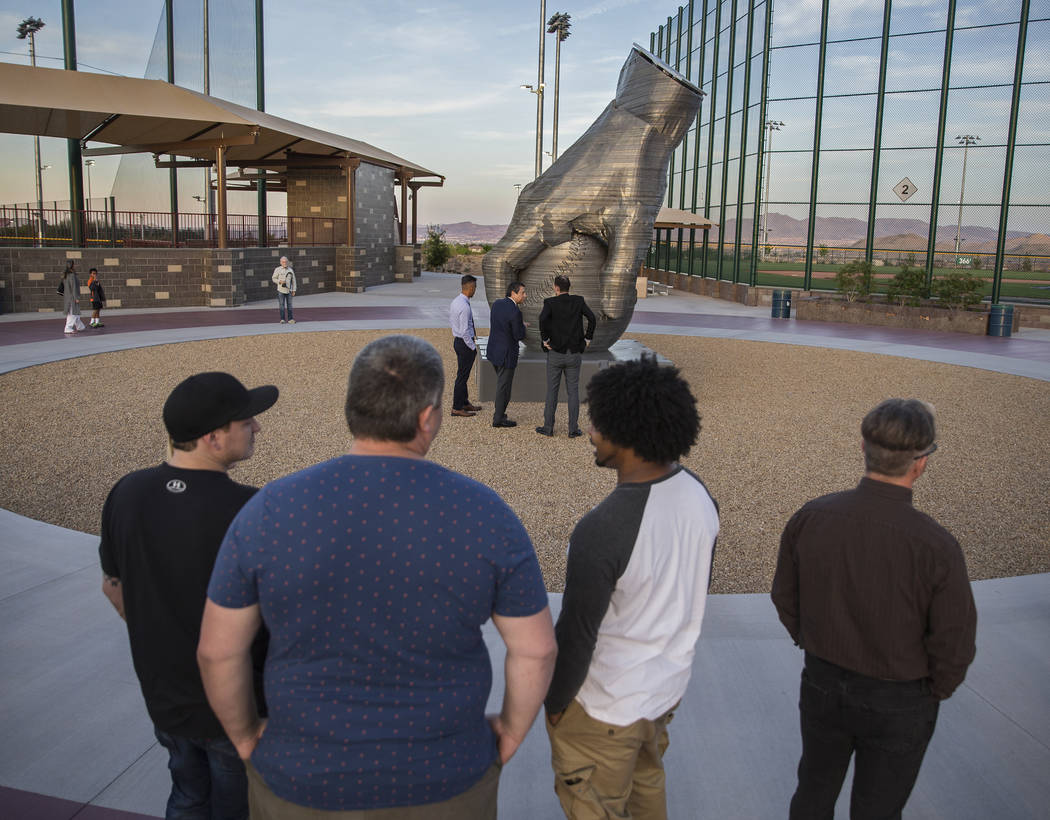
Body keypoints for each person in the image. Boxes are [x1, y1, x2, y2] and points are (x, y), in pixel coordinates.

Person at [198, 334, 557, 819]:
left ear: (353, 408)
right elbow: (535, 647)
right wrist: (512, 731)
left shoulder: (270, 511)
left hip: (300, 778)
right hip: (446, 779)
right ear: (427, 417)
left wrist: (243, 737)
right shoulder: (486, 516)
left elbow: (218, 651)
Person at [771, 398, 977, 820]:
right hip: (901, 696)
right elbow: (954, 640)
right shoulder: (935, 545)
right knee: (878, 809)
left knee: (813, 791)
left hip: (823, 681)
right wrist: (933, 690)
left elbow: (785, 597)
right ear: (920, 463)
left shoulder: (812, 517)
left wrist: (811, 641)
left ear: (863, 449)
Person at [544, 355, 719, 819]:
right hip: (663, 693)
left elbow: (577, 635)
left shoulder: (601, 530)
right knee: (647, 794)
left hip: (605, 707)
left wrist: (557, 704)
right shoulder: (700, 495)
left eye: (597, 423)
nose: (589, 431)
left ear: (626, 433)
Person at [99, 371, 278, 820]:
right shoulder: (252, 510)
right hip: (238, 708)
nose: (257, 428)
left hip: (166, 700)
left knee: (188, 797)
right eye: (246, 421)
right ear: (214, 437)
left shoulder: (127, 493)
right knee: (240, 807)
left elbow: (113, 586)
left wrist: (166, 632)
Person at [536, 275, 596, 438]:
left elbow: (541, 319)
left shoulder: (550, 303)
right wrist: (587, 338)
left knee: (552, 392)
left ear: (556, 287)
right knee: (573, 392)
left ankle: (548, 428)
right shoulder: (578, 301)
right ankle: (572, 429)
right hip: (574, 353)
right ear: (569, 287)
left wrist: (545, 339)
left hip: (555, 353)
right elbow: (592, 318)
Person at [486, 281, 528, 428]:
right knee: (504, 388)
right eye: (522, 292)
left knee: (502, 385)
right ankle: (498, 419)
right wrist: (522, 326)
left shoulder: (497, 304)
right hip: (506, 355)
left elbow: (501, 323)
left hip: (493, 352)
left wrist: (517, 323)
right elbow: (518, 335)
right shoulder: (516, 312)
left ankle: (501, 414)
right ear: (513, 293)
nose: (525, 295)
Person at [449, 273, 482, 417]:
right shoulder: (464, 307)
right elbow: (464, 331)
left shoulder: (456, 301)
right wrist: (473, 347)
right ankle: (457, 407)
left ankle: (464, 402)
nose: (475, 290)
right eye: (475, 287)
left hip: (459, 342)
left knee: (463, 374)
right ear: (470, 287)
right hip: (464, 344)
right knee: (462, 377)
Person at [59, 261, 86, 334]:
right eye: (74, 264)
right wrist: (76, 297)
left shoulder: (65, 275)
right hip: (72, 297)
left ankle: (80, 326)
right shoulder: (72, 275)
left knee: (74, 312)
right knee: (73, 313)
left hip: (68, 296)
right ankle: (68, 328)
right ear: (72, 266)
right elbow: (74, 287)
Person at [271, 256, 296, 323]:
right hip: (280, 290)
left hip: (289, 291)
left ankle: (290, 319)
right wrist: (280, 281)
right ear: (280, 262)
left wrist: (294, 290)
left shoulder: (290, 270)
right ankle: (282, 319)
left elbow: (294, 281)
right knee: (281, 305)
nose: (284, 263)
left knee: (289, 305)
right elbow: (273, 278)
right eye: (283, 262)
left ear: (287, 262)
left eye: (286, 262)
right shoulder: (277, 269)